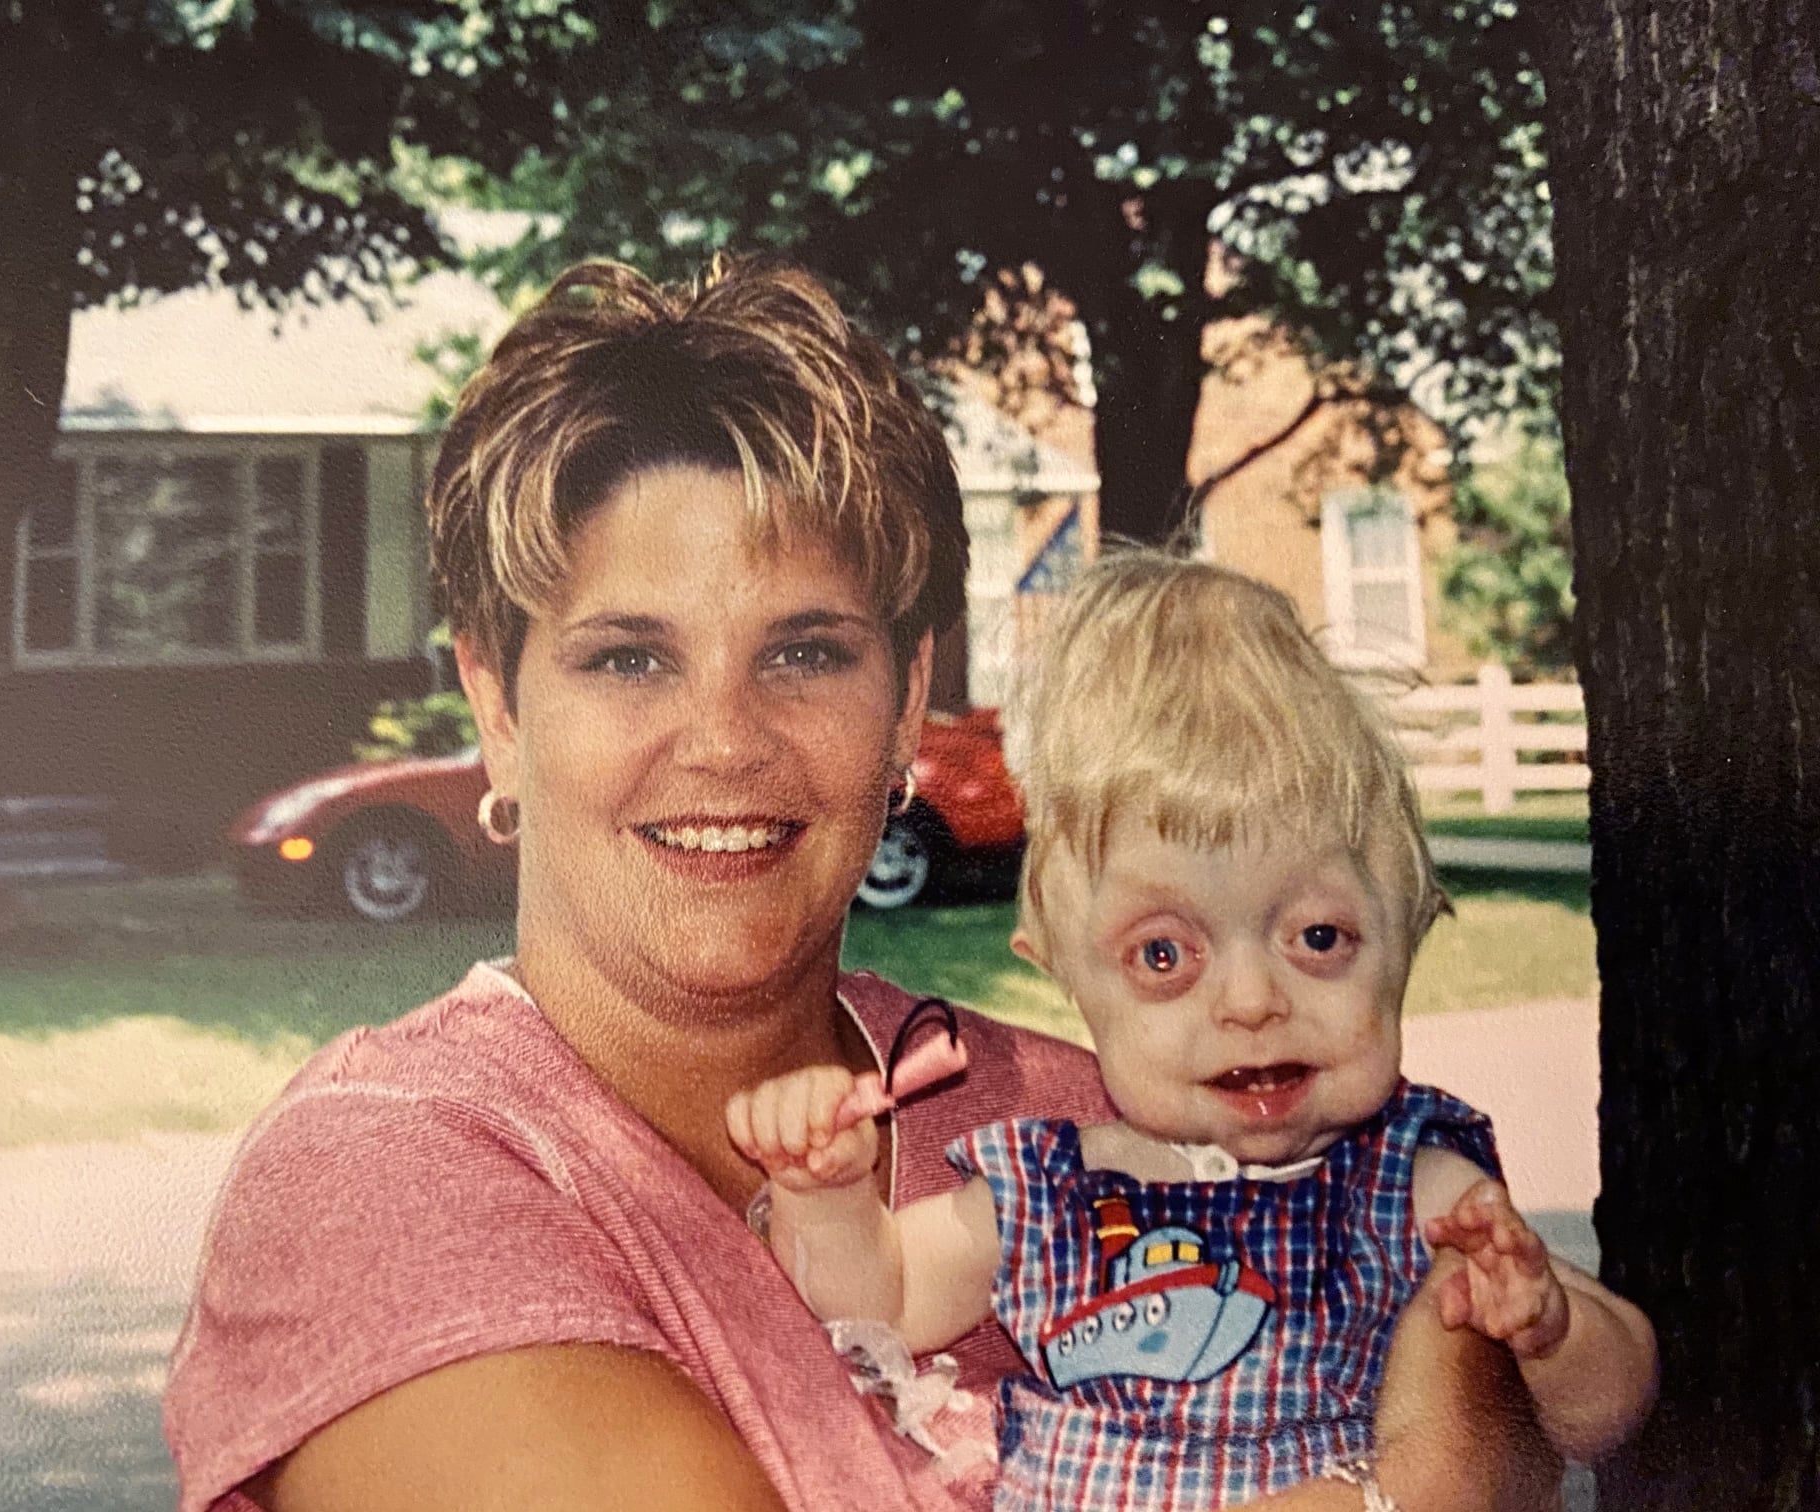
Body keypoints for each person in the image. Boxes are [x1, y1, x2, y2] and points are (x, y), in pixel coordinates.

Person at [163, 257, 1566, 1512]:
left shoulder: (1092, 1120)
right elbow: (1453, 1438)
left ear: (907, 707)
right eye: (628, 658)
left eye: (808, 652)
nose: (723, 739)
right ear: (500, 706)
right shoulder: (385, 1172)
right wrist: (1411, 1481)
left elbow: (1499, 1371)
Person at [729, 550, 1658, 1510]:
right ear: (1062, 969)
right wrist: (829, 1195)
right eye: (1165, 956)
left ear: (1408, 926)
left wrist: (1549, 1327)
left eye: (1319, 937)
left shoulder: (1410, 1182)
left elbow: (1607, 1411)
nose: (1252, 1001)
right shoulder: (1043, 1193)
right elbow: (874, 1301)